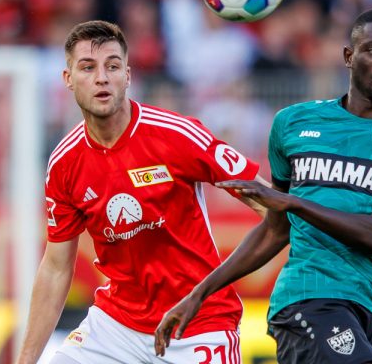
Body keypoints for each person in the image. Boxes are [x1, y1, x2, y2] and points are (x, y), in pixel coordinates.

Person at [156, 8, 372, 364]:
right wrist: (199, 294)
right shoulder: (293, 123)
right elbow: (274, 229)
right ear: (348, 56)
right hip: (308, 300)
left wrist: (293, 203)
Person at [16, 20, 266, 364]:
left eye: (112, 66)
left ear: (128, 76)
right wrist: (25, 360)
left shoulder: (175, 134)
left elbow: (268, 202)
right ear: (68, 79)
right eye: (88, 67)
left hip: (196, 323)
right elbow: (56, 267)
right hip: (116, 326)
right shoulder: (64, 162)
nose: (101, 77)